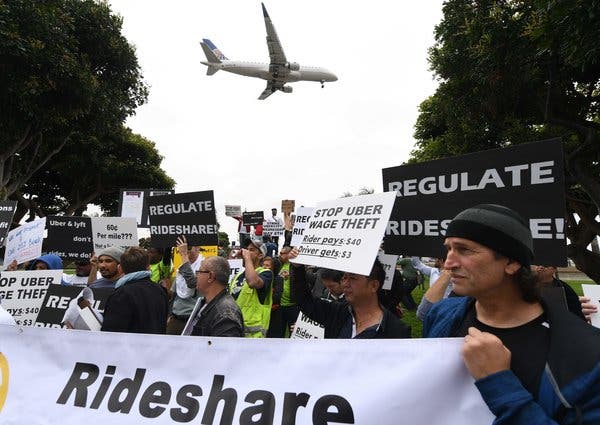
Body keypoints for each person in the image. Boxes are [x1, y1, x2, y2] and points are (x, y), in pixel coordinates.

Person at [424, 204, 600, 424]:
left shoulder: (586, 353)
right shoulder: (442, 315)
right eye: (448, 249)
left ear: (512, 262)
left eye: (464, 249)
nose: (448, 263)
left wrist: (499, 384)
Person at [290, 249, 410, 339]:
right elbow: (304, 301)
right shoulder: (337, 313)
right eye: (344, 278)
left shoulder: (397, 332)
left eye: (352, 278)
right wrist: (297, 267)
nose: (345, 284)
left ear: (373, 285)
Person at [101, 247, 168, 334]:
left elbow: (110, 333)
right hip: (156, 345)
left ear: (120, 268)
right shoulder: (160, 290)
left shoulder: (121, 294)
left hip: (130, 346)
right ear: (148, 267)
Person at [185, 256, 243, 337]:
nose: (196, 276)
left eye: (199, 272)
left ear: (210, 276)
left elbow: (224, 348)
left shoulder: (226, 313)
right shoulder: (206, 302)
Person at [229, 239, 273, 337]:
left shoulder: (265, 273)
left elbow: (252, 282)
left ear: (260, 255)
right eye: (247, 249)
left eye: (251, 250)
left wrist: (247, 258)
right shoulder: (238, 275)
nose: (247, 252)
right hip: (234, 328)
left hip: (253, 335)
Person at [166, 236, 204, 335]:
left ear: (197, 248)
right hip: (176, 318)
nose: (186, 251)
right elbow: (174, 294)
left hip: (193, 319)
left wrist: (183, 254)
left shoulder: (204, 266)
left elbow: (192, 283)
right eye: (183, 248)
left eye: (188, 248)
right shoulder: (181, 267)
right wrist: (170, 314)